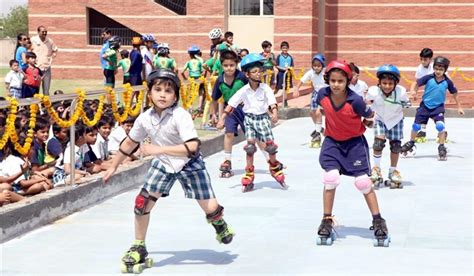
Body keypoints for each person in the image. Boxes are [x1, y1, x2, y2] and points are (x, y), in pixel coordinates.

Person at [103, 69, 235, 270]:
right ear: (150, 93)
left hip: (189, 164)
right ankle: (139, 246)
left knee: (211, 210)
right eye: (158, 89)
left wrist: (158, 149)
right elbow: (129, 143)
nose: (162, 94)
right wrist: (113, 166)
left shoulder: (180, 116)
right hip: (163, 164)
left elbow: (192, 148)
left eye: (168, 90)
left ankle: (219, 224)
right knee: (142, 203)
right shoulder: (145, 118)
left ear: (175, 96)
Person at [314, 60, 390, 246]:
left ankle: (378, 220)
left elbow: (371, 117)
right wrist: (319, 128)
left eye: (340, 81)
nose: (336, 84)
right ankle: (326, 219)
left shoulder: (355, 100)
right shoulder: (322, 94)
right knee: (330, 178)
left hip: (355, 144)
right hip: (332, 143)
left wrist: (364, 125)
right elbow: (319, 110)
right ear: (327, 80)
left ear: (347, 81)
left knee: (363, 183)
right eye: (332, 80)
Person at [218, 54, 285, 192]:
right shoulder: (243, 90)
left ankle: (274, 166)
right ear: (247, 74)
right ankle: (249, 173)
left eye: (260, 71)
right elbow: (232, 104)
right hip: (249, 119)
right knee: (250, 147)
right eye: (255, 72)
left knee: (270, 146)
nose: (258, 74)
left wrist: (274, 114)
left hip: (263, 119)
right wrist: (222, 117)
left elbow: (272, 101)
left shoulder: (265, 87)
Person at [401, 56, 464, 161]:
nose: (438, 71)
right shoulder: (428, 77)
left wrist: (459, 107)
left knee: (440, 126)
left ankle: (442, 146)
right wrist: (413, 91)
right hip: (425, 106)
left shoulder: (448, 82)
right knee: (416, 126)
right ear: (433, 68)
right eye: (436, 69)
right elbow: (415, 83)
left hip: (438, 108)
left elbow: (455, 93)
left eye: (441, 69)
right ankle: (411, 142)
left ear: (445, 70)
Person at [366, 65, 409, 189]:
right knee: (378, 143)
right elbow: (367, 103)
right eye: (384, 83)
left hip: (396, 120)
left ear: (396, 83)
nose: (387, 86)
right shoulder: (374, 91)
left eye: (390, 83)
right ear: (379, 82)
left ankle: (392, 171)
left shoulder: (401, 92)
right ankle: (376, 169)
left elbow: (406, 103)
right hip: (380, 119)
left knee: (395, 146)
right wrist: (367, 118)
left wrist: (406, 102)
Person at [210, 50, 248, 178]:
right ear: (222, 65)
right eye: (226, 65)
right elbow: (214, 99)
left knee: (253, 136)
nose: (229, 68)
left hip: (245, 109)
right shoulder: (220, 80)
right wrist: (214, 114)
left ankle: (270, 158)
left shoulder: (242, 77)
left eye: (232, 65)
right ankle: (227, 160)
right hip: (230, 110)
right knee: (229, 133)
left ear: (236, 64)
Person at [294, 54, 327, 148]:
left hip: (325, 94)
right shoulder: (311, 72)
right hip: (316, 93)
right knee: (312, 113)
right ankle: (320, 129)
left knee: (318, 112)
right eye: (314, 65)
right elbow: (301, 81)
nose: (316, 68)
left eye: (318, 66)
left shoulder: (326, 72)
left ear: (322, 65)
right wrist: (296, 89)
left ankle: (317, 134)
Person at [412, 48, 434, 143]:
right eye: (421, 59)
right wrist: (414, 92)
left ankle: (443, 131)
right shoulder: (420, 68)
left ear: (430, 59)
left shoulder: (436, 67)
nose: (422, 61)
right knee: (423, 111)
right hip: (428, 93)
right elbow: (417, 82)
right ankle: (423, 131)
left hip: (437, 92)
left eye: (425, 59)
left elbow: (447, 79)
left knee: (435, 113)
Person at [30, 26, 58, 96]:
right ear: (38, 32)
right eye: (43, 32)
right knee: (35, 90)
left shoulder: (50, 41)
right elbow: (28, 50)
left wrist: (53, 56)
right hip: (36, 68)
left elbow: (55, 50)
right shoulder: (33, 40)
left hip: (46, 68)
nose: (45, 33)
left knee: (46, 90)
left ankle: (45, 105)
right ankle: (35, 106)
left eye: (46, 32)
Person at [182, 45, 205, 117]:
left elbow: (182, 72)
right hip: (199, 78)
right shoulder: (200, 61)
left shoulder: (188, 62)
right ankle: (199, 108)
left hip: (191, 79)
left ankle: (190, 109)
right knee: (201, 93)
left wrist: (185, 78)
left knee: (190, 94)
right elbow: (203, 71)